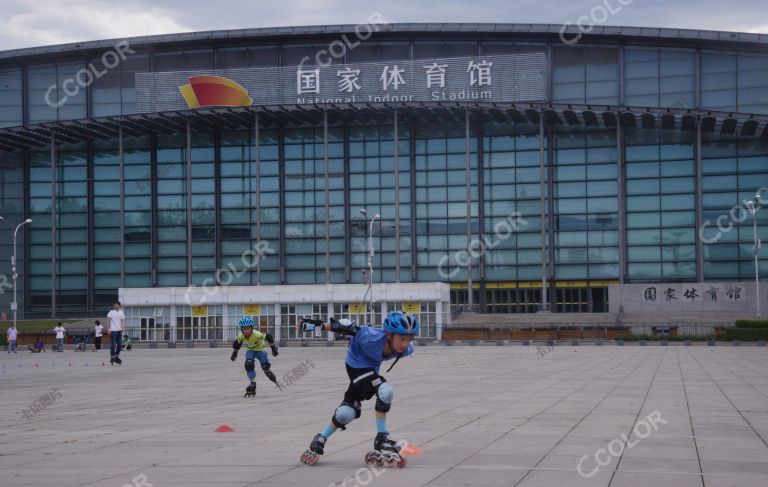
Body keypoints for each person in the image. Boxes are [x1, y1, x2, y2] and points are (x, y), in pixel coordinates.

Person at [298, 311, 418, 468]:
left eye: (409, 339)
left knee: (346, 413)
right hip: (355, 366)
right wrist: (312, 325)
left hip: (369, 371)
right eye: (402, 339)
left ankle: (319, 439)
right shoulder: (370, 336)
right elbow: (344, 326)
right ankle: (382, 438)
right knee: (385, 390)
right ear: (388, 334)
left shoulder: (407, 350)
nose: (405, 344)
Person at [230, 316, 279, 397]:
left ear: (251, 328)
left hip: (260, 350)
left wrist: (274, 349)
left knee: (265, 366)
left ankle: (268, 371)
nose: (246, 331)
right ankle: (253, 383)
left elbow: (269, 337)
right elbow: (237, 344)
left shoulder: (257, 334)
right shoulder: (240, 336)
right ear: (241, 329)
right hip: (251, 351)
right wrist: (234, 353)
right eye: (244, 329)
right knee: (248, 365)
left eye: (248, 328)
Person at [107, 301, 125, 365]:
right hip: (113, 330)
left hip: (119, 330)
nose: (115, 306)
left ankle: (116, 356)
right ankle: (112, 357)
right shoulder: (111, 312)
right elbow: (108, 321)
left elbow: (122, 321)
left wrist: (122, 328)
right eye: (114, 305)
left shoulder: (121, 312)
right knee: (113, 344)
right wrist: (108, 328)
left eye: (116, 305)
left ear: (119, 306)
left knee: (120, 345)